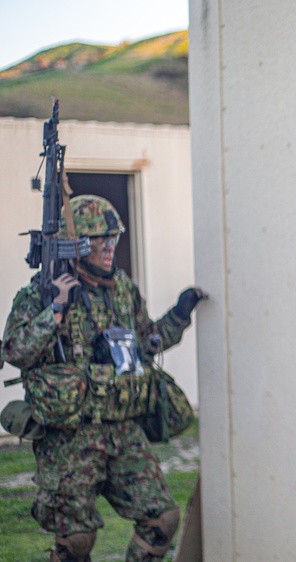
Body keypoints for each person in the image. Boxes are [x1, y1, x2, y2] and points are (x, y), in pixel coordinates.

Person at [2, 194, 206, 562]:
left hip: (121, 430)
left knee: (162, 518)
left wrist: (180, 313)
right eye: (99, 239)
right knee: (76, 542)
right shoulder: (41, 293)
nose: (109, 246)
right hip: (70, 438)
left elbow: (145, 341)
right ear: (77, 244)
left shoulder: (122, 289)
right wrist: (56, 310)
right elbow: (15, 351)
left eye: (114, 237)